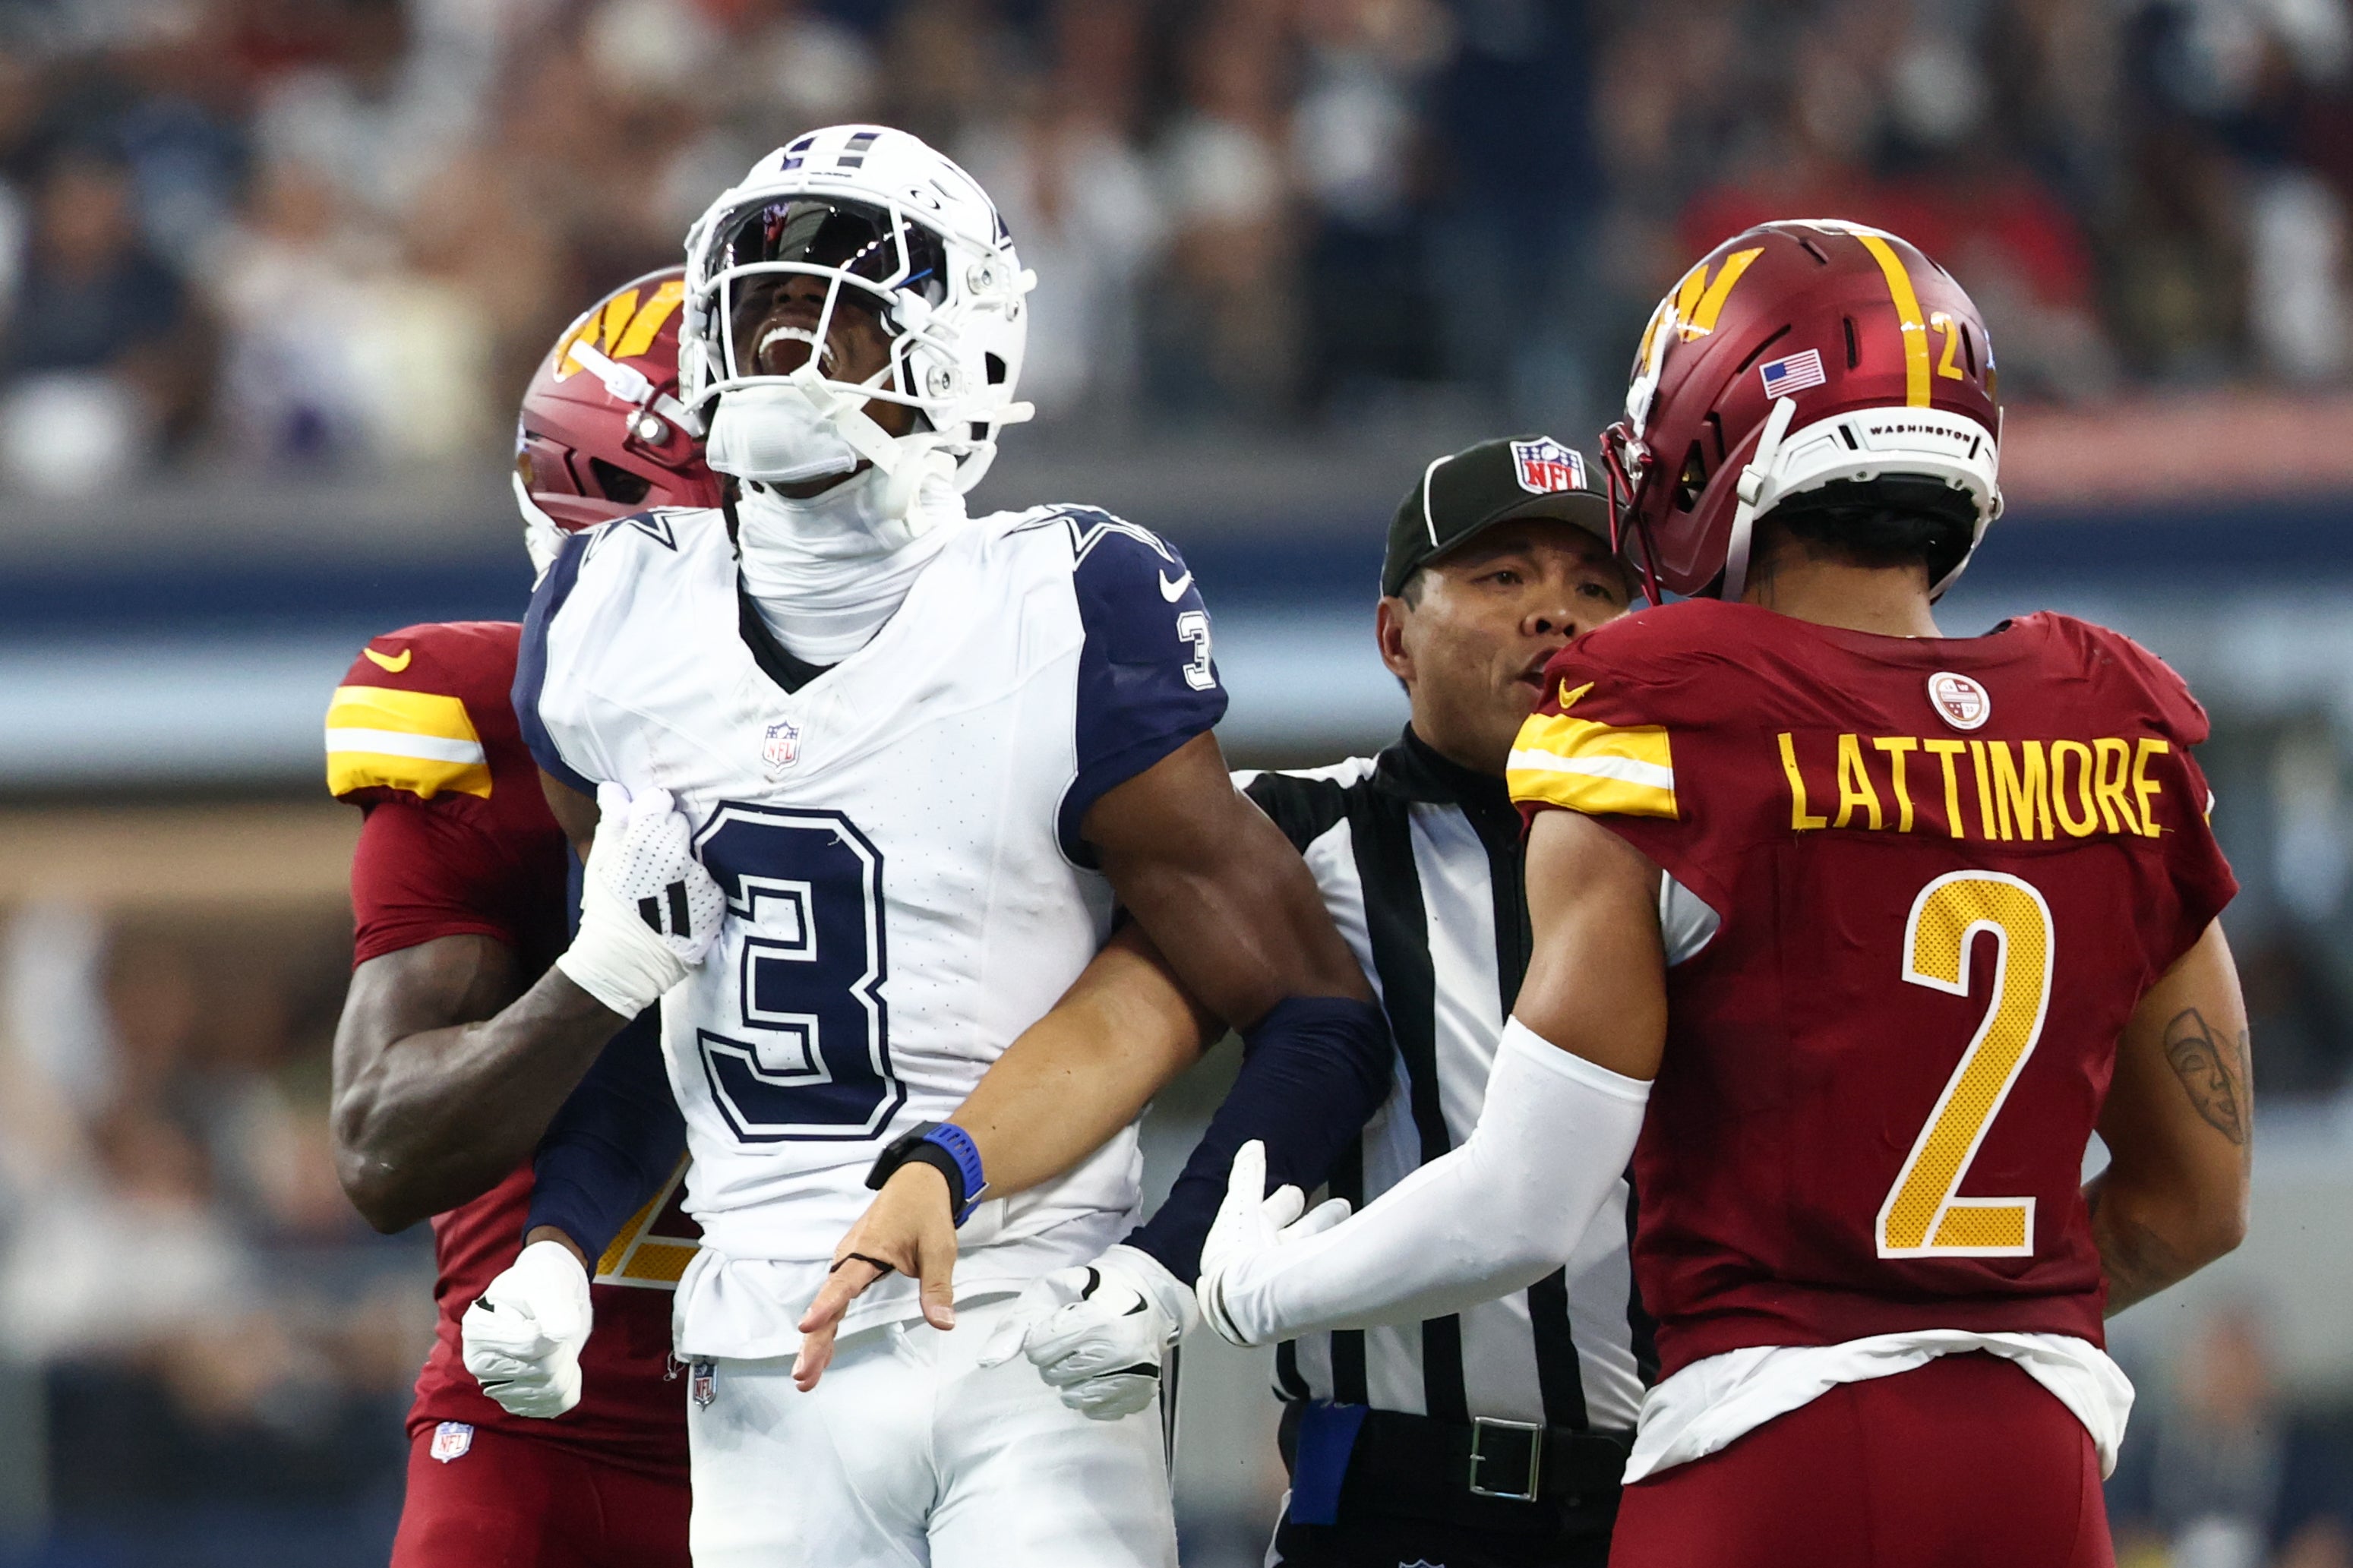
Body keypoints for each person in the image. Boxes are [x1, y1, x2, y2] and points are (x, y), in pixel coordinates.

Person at [1192, 220, 2252, 1567]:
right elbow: (2196, 1203)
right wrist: (1964, 1324)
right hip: (2036, 1451)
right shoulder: (2110, 721)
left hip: (1770, 1448)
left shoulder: (1663, 709)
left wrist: (1260, 1288)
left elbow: (1524, 1204)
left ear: (1712, 439)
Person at [454, 124, 1390, 1568]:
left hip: (1024, 1328)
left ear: (961, 347)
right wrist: (560, 1248)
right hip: (759, 1358)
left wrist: (1165, 1265)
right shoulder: (602, 621)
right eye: (759, 309)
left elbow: (1314, 1013)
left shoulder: (1064, 605)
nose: (784, 344)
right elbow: (667, 1006)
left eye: (837, 304)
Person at [800, 436, 1656, 1568]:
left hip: (1677, 1474)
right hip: (1400, 1491)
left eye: (1596, 589)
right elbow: (1119, 1023)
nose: (1557, 617)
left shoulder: (1697, 850)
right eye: (1503, 578)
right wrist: (949, 1160)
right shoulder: (1293, 837)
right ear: (1394, 635)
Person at [325, 267, 719, 1568]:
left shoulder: (951, 689)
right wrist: (604, 967)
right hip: (559, 1431)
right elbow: (380, 1146)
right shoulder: (483, 724)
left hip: (867, 1404)